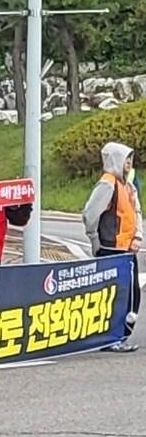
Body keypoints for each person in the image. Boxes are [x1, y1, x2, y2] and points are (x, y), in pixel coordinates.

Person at [83, 141, 142, 352]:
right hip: (111, 248)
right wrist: (95, 240)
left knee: (131, 293)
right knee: (114, 295)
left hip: (126, 249)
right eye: (125, 158)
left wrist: (138, 237)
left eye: (131, 158)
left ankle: (119, 334)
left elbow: (136, 213)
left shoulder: (128, 184)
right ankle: (111, 337)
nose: (129, 163)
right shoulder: (108, 184)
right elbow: (90, 214)